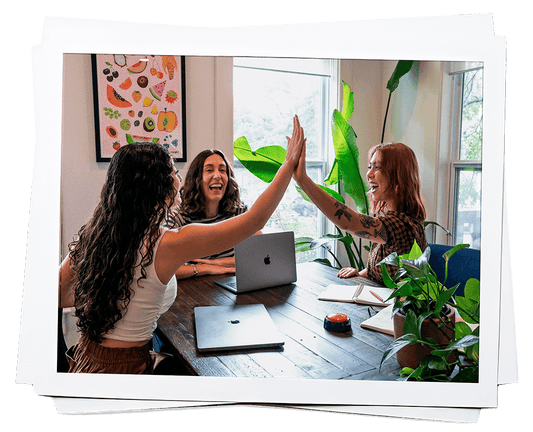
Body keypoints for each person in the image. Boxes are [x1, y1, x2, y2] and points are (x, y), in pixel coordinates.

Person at [58, 115, 305, 374]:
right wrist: (288, 164)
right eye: (173, 171)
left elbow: (59, 295)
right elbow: (255, 220)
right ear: (157, 185)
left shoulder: (95, 233)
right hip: (125, 372)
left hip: (85, 361)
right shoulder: (165, 243)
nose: (179, 177)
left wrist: (104, 295)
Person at [292, 141, 427, 285]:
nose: (369, 174)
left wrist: (303, 180)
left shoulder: (403, 225)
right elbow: (385, 269)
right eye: (370, 167)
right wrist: (360, 274)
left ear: (398, 177)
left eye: (377, 167)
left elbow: (349, 222)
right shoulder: (391, 220)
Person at [168, 149, 257, 279]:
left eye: (222, 170)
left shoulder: (238, 211)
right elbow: (164, 267)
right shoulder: (179, 217)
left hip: (231, 282)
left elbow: (259, 254)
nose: (217, 175)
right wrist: (205, 268)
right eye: (209, 170)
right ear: (196, 178)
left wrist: (215, 263)